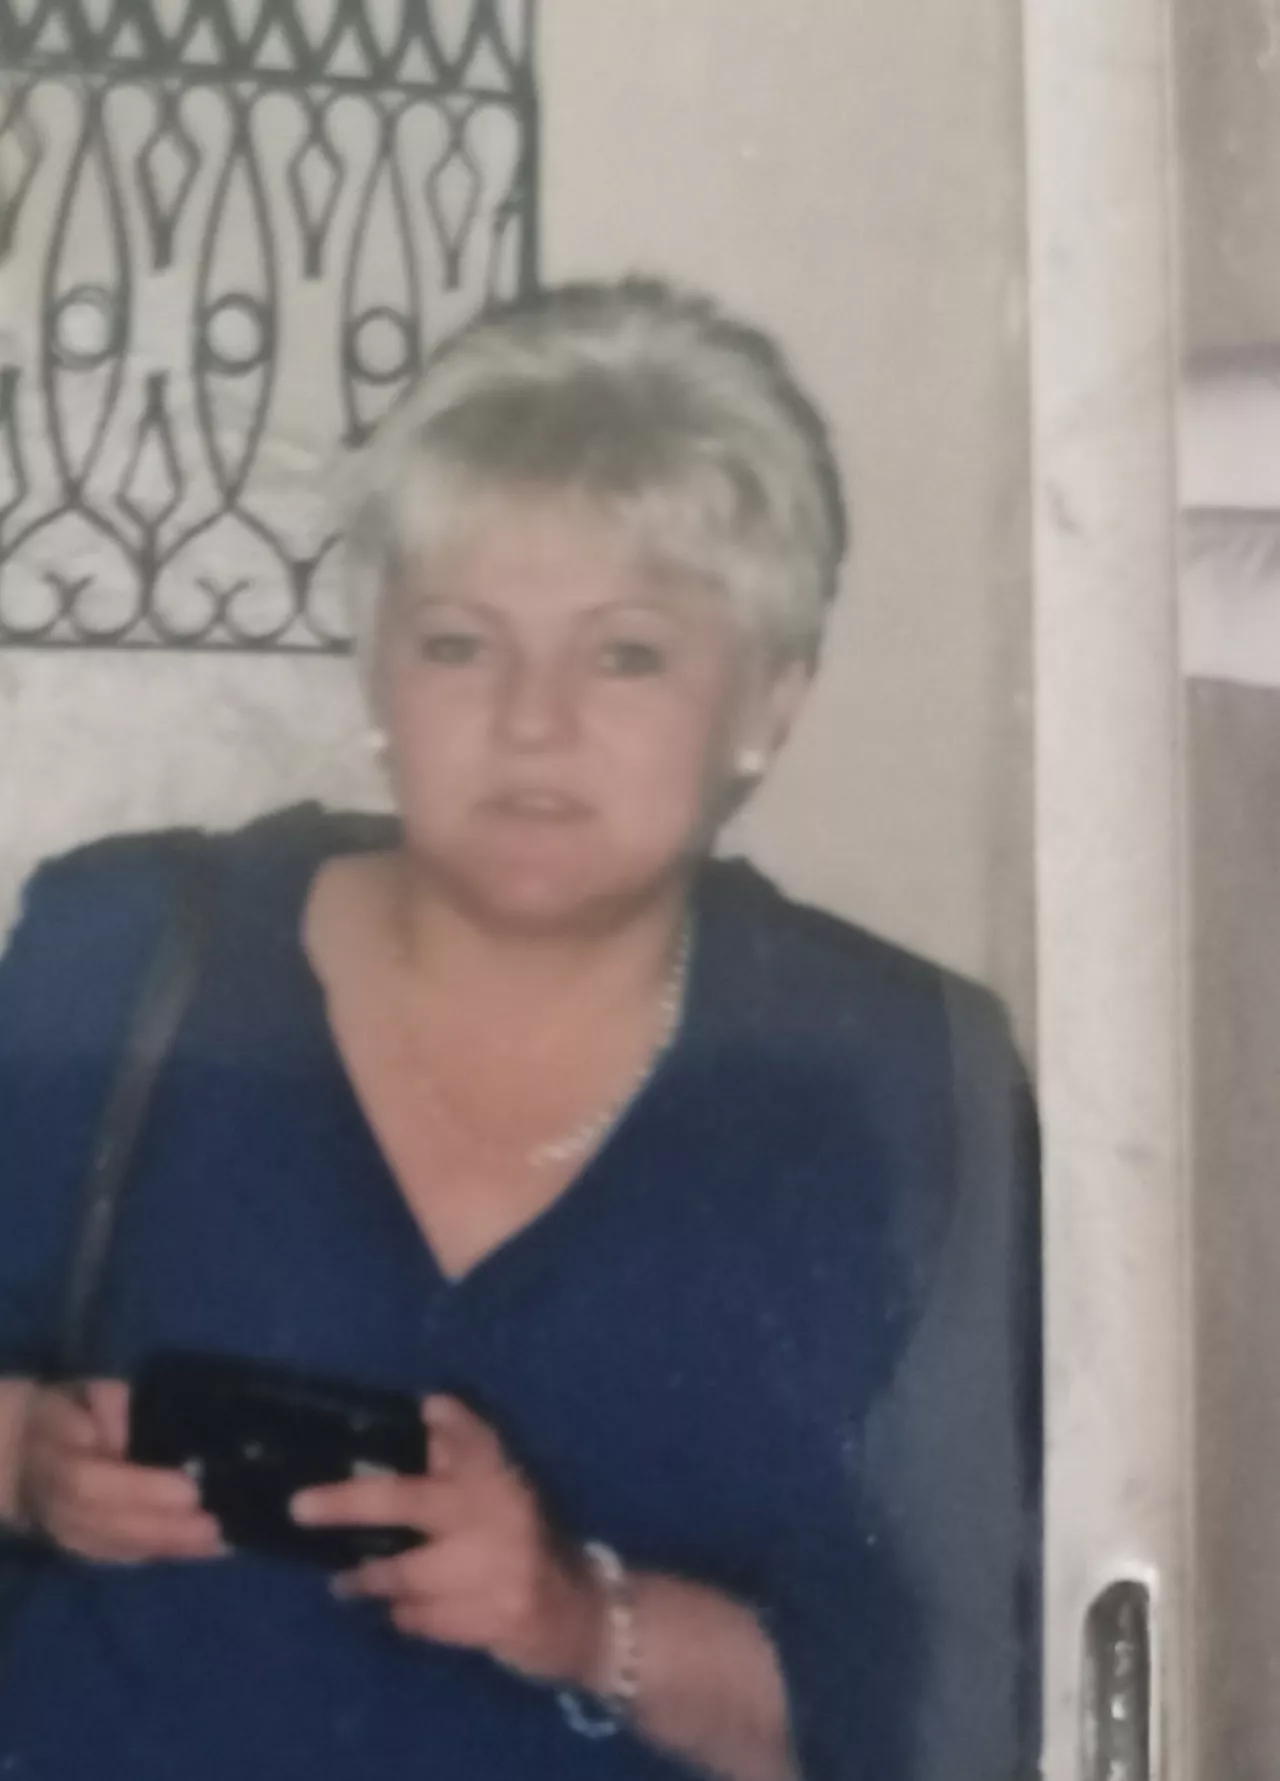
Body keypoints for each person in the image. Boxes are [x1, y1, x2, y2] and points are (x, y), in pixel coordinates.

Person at [0, 277, 1040, 1781]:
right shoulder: (130, 951)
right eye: (460, 645)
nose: (533, 721)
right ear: (378, 677)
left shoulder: (901, 1072)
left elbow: (959, 1704)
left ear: (769, 705)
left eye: (626, 654)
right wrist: (27, 1461)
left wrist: (578, 1618)